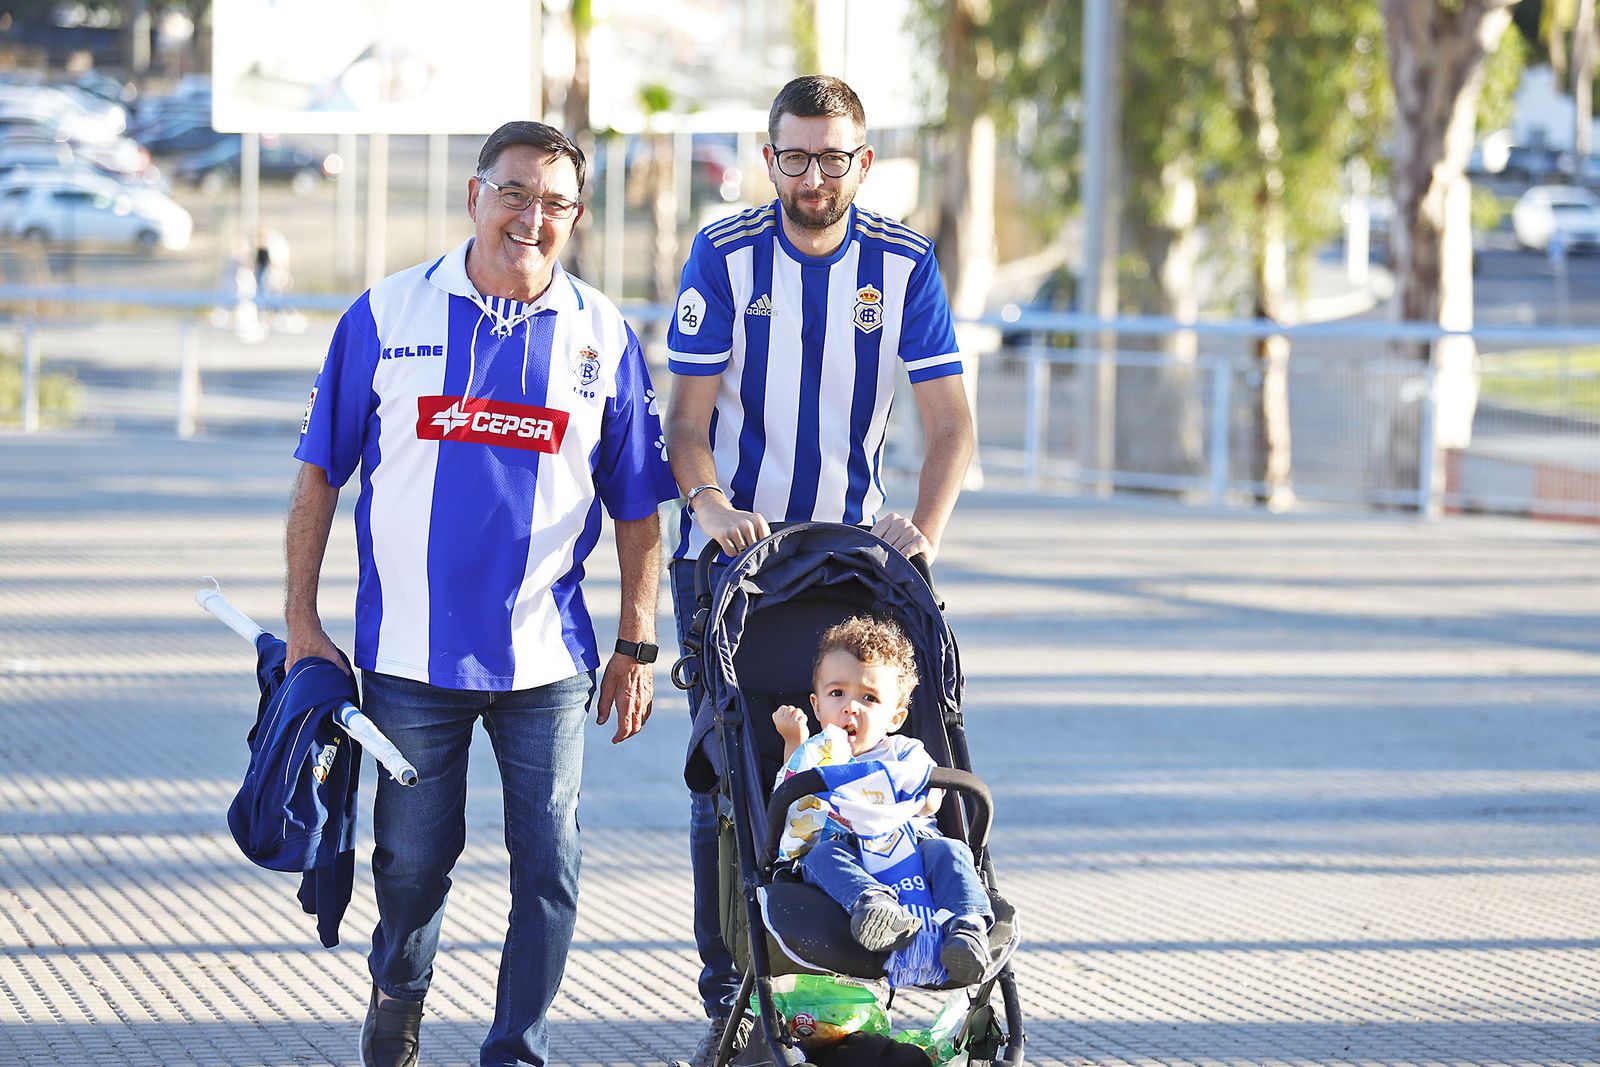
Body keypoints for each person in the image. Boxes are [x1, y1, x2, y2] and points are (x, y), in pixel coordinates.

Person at [284, 120, 678, 1067]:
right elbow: (318, 476)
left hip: (548, 662)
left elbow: (638, 511)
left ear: (576, 217)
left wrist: (636, 642)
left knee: (551, 867)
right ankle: (398, 994)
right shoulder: (384, 315)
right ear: (474, 195)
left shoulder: (604, 335)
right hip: (409, 657)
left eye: (555, 203)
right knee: (413, 864)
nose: (532, 217)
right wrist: (302, 622)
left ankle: (516, 1049)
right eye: (514, 193)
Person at [663, 75, 975, 1064]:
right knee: (730, 781)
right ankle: (734, 985)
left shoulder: (902, 263)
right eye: (793, 156)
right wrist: (711, 504)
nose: (812, 176)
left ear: (862, 162)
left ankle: (872, 968)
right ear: (769, 159)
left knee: (864, 769)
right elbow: (684, 419)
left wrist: (922, 532)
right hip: (731, 565)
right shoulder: (724, 254)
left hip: (848, 572)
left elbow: (951, 423)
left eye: (831, 157)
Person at [771, 616, 993, 985]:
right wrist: (794, 740)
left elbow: (931, 798)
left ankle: (966, 928)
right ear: (816, 705)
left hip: (908, 846)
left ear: (895, 717)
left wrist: (925, 797)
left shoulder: (904, 751)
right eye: (837, 694)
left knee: (952, 852)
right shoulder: (817, 753)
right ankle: (873, 905)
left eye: (869, 698)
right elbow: (793, 795)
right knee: (820, 857)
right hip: (844, 847)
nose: (851, 708)